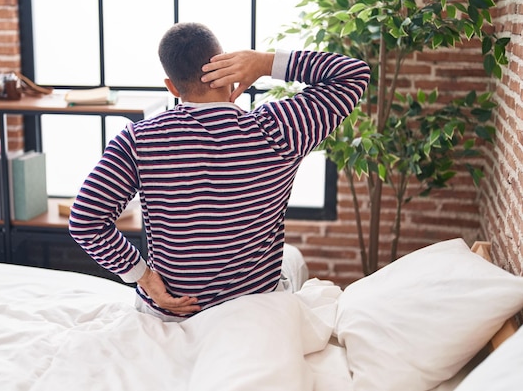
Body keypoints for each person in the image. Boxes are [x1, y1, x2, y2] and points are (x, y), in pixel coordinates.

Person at [69, 22, 370, 322]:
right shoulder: (278, 130)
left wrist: (144, 276)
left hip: (171, 312)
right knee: (292, 263)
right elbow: (353, 74)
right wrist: (265, 63)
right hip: (253, 310)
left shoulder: (138, 140)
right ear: (229, 69)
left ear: (171, 86)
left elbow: (85, 221)